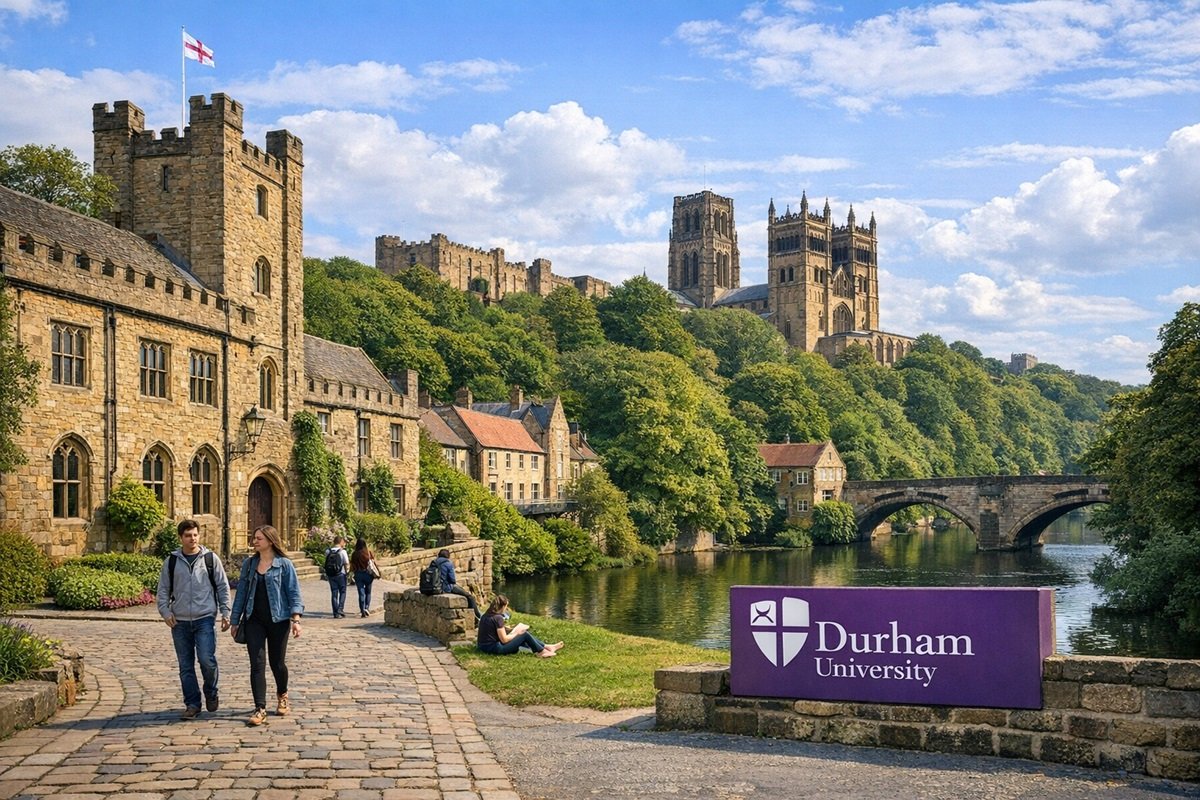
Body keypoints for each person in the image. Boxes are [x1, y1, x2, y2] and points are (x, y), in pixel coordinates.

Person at [155, 519, 231, 719]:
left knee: (207, 660)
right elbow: (163, 590)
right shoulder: (171, 561)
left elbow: (223, 587)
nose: (192, 539)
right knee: (185, 666)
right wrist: (165, 612)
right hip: (179, 621)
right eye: (188, 535)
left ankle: (211, 691)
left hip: (204, 617)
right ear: (181, 537)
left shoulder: (210, 559)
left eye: (195, 535)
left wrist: (226, 612)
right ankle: (192, 704)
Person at [230, 524, 304, 726]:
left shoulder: (285, 565)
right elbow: (241, 594)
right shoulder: (249, 564)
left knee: (277, 663)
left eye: (258, 538)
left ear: (270, 541)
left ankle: (282, 695)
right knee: (257, 663)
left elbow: (294, 593)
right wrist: (234, 620)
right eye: (254, 538)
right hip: (254, 620)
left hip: (278, 620)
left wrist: (296, 620)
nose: (254, 541)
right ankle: (260, 708)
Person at [476, 594, 563, 658]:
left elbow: (492, 631)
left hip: (483, 646)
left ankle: (546, 647)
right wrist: (516, 633)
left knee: (521, 633)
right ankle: (541, 652)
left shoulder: (486, 615)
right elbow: (504, 639)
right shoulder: (498, 618)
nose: (506, 609)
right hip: (494, 648)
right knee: (524, 634)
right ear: (502, 606)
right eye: (506, 607)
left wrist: (510, 630)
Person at [434, 548, 481, 622]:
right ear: (448, 556)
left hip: (435, 587)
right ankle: (478, 617)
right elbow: (452, 580)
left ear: (438, 555)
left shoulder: (433, 563)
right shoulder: (448, 564)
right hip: (446, 587)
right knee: (470, 597)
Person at [349, 537, 377, 617]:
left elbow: (352, 565)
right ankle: (366, 607)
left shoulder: (354, 554)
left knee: (361, 593)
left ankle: (362, 610)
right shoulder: (368, 552)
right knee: (368, 592)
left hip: (358, 574)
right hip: (368, 574)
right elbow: (373, 562)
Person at [324, 535, 350, 618]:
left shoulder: (328, 551)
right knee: (343, 592)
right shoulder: (343, 552)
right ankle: (340, 609)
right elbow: (346, 563)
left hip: (331, 574)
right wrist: (347, 573)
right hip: (341, 574)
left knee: (334, 593)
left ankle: (335, 612)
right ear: (341, 542)